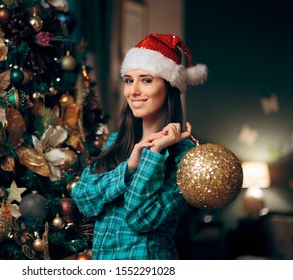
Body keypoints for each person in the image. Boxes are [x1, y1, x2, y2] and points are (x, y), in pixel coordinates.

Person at [71, 34, 208, 260]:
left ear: (169, 86)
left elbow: (140, 218)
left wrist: (155, 154)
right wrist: (129, 168)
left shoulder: (185, 156)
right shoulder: (116, 140)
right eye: (128, 80)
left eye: (146, 80)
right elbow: (83, 199)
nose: (133, 91)